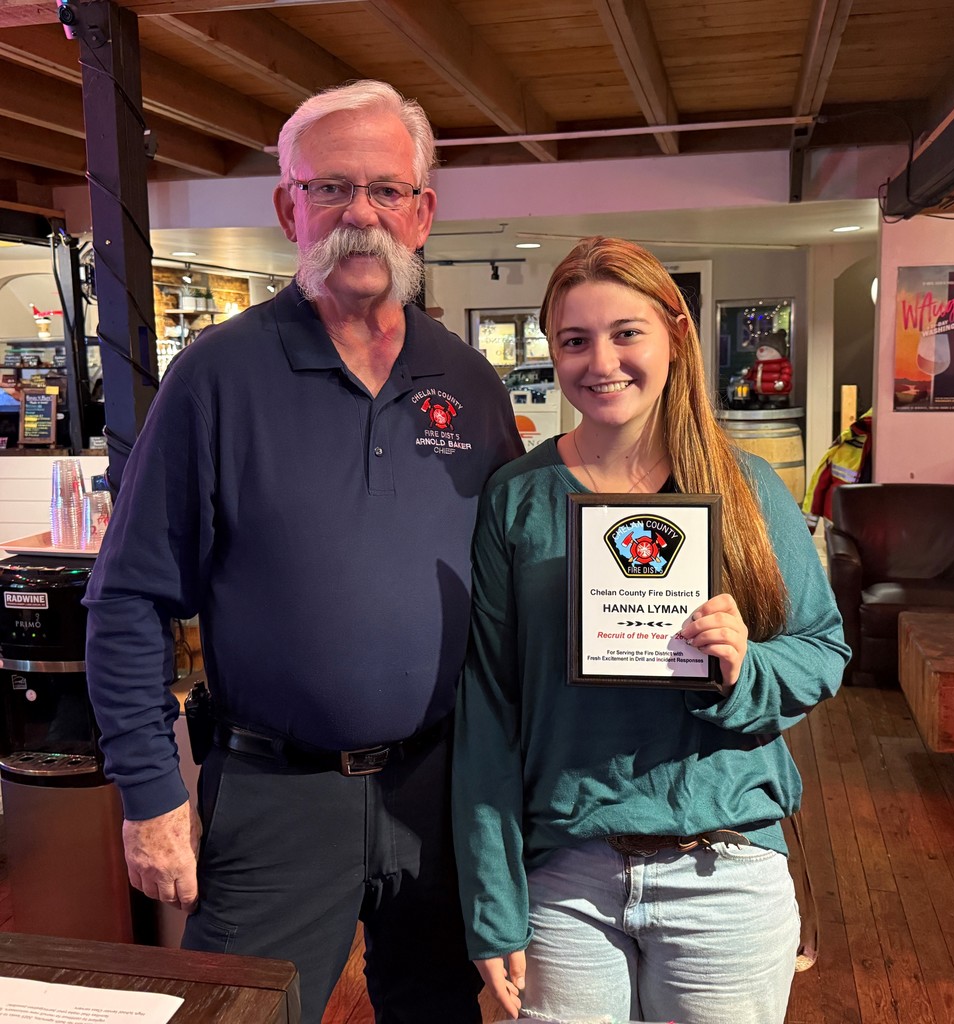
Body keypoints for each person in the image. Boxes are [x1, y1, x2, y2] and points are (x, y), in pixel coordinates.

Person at [84, 80, 523, 1024]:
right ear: (290, 208)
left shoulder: (468, 382)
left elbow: (514, 586)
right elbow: (127, 598)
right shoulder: (216, 375)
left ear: (421, 213)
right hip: (277, 798)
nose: (360, 212)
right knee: (237, 1015)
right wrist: (150, 792)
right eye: (331, 188)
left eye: (386, 189)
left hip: (440, 791)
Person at [451, 237, 850, 1024]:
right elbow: (489, 709)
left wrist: (744, 668)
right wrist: (491, 901)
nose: (601, 362)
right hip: (566, 873)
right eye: (575, 340)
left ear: (675, 333)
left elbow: (821, 651)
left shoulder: (747, 488)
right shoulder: (518, 498)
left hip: (724, 867)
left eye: (626, 332)